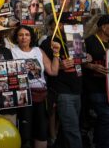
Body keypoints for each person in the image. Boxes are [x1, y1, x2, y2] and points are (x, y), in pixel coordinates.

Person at [11, 25, 60, 148]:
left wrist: (56, 54)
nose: (24, 38)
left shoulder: (38, 51)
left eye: (27, 35)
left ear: (31, 37)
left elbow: (53, 71)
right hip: (23, 97)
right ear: (16, 38)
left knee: (42, 132)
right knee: (24, 133)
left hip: (41, 97)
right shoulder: (12, 51)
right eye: (20, 35)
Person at [40, 15, 84, 148]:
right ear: (59, 25)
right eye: (70, 24)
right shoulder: (49, 42)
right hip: (62, 92)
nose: (74, 27)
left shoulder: (77, 38)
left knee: (68, 131)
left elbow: (80, 63)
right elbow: (45, 68)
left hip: (77, 90)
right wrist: (60, 65)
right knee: (72, 131)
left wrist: (87, 59)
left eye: (75, 24)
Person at [83, 15, 109, 148]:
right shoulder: (89, 41)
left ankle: (97, 140)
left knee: (104, 119)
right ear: (104, 27)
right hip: (94, 87)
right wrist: (92, 66)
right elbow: (79, 62)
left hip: (108, 88)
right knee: (105, 116)